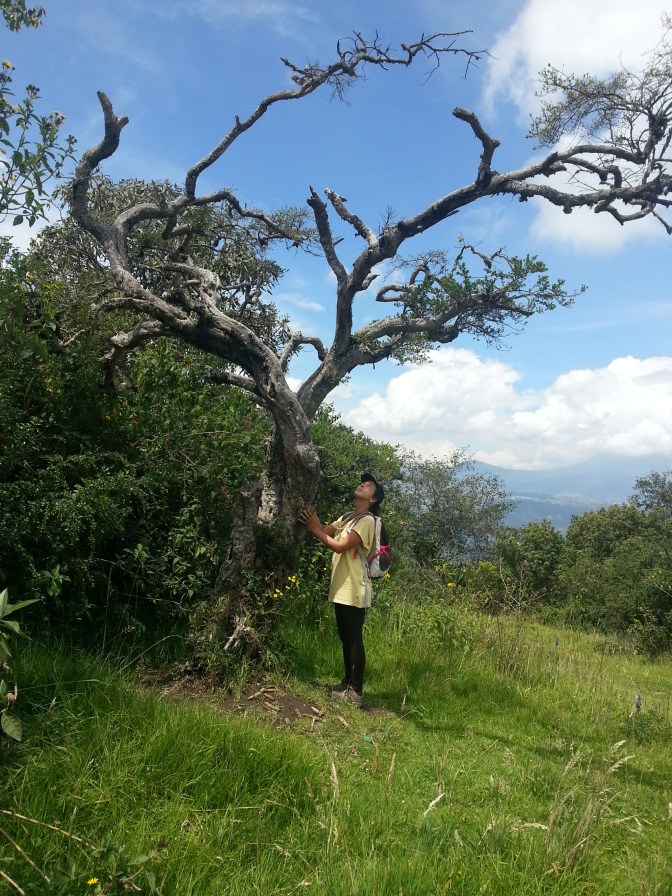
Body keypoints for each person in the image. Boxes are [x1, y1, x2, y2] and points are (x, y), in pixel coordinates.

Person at [298, 472, 385, 708]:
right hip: (342, 586)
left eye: (368, 486)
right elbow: (326, 532)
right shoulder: (348, 517)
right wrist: (313, 523)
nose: (362, 485)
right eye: (362, 483)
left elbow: (338, 546)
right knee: (345, 637)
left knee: (354, 638)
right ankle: (346, 684)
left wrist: (315, 527)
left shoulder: (367, 521)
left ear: (373, 499)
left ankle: (355, 691)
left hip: (355, 588)